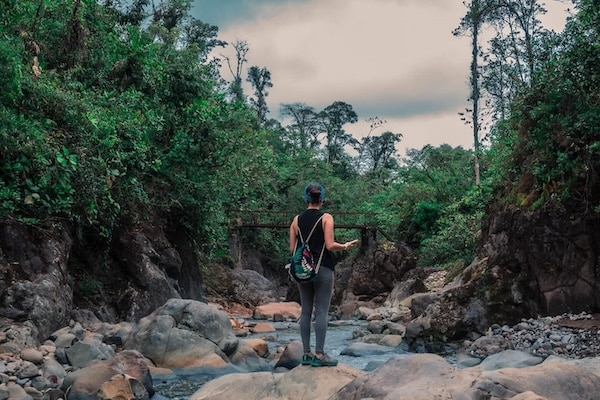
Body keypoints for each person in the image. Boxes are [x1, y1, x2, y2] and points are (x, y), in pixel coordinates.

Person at [289, 182, 359, 367]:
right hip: (323, 269)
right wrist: (344, 245)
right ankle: (320, 355)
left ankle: (306, 354)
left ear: (306, 199)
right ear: (322, 199)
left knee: (305, 311)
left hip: (303, 269)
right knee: (321, 311)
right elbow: (329, 245)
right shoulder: (326, 218)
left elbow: (292, 248)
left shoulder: (296, 220)